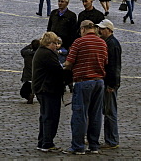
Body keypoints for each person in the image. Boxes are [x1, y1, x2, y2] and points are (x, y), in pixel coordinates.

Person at [63, 20, 108, 155]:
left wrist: (65, 66)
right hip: (99, 81)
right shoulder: (102, 43)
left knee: (79, 114)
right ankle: (94, 145)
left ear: (83, 29)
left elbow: (69, 62)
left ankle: (78, 146)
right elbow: (105, 61)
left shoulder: (79, 42)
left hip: (83, 81)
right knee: (95, 115)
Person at [33, 31, 67, 153]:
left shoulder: (42, 52)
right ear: (49, 43)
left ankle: (43, 141)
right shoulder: (47, 54)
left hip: (43, 88)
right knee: (50, 116)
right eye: (55, 43)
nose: (56, 45)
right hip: (48, 88)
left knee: (45, 116)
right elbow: (58, 70)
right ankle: (47, 142)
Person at [97, 19, 122, 150]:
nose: (100, 31)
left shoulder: (112, 44)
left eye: (102, 28)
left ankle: (112, 140)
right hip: (106, 82)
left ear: (109, 30)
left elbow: (114, 67)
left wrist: (112, 85)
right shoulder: (107, 42)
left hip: (110, 84)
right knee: (107, 111)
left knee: (110, 111)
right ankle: (110, 139)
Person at [20, 38, 40, 104]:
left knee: (23, 92)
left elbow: (22, 50)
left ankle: (29, 96)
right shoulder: (40, 54)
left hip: (28, 76)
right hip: (37, 77)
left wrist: (31, 45)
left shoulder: (27, 54)